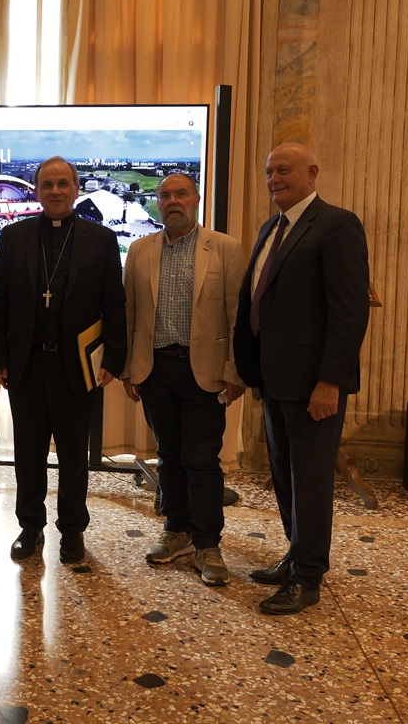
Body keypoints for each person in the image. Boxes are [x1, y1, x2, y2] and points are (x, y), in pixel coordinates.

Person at [233, 142, 370, 615]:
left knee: (310, 481)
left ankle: (308, 577)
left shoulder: (337, 225)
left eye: (284, 170)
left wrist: (330, 381)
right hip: (275, 381)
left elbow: (349, 313)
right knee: (286, 476)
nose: (274, 179)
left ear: (312, 172)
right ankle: (296, 555)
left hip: (314, 384)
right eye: (269, 172)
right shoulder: (271, 227)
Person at [0, 156, 127, 564]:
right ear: (36, 190)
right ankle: (30, 526)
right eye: (47, 184)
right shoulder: (14, 237)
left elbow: (113, 303)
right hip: (26, 364)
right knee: (28, 454)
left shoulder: (101, 239)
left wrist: (114, 357)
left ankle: (72, 529)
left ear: (76, 188)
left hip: (77, 365)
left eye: (63, 183)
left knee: (73, 455)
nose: (55, 191)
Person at [121, 173, 246, 585]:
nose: (173, 201)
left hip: (205, 372)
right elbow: (129, 313)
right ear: (157, 203)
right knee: (169, 456)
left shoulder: (224, 248)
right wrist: (129, 369)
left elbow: (238, 316)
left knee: (202, 459)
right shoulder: (140, 250)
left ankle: (208, 543)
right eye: (165, 196)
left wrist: (235, 371)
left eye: (181, 194)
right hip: (155, 370)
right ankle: (176, 531)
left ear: (196, 199)